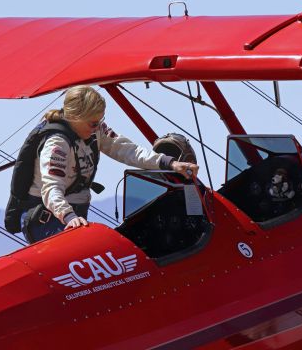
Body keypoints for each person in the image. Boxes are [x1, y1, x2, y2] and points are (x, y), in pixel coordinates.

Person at [21, 85, 198, 242]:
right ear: (75, 117)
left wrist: (170, 163)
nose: (97, 127)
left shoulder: (95, 130)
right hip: (49, 219)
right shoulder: (57, 144)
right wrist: (68, 216)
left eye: (100, 121)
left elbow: (128, 150)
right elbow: (52, 188)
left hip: (75, 214)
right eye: (93, 123)